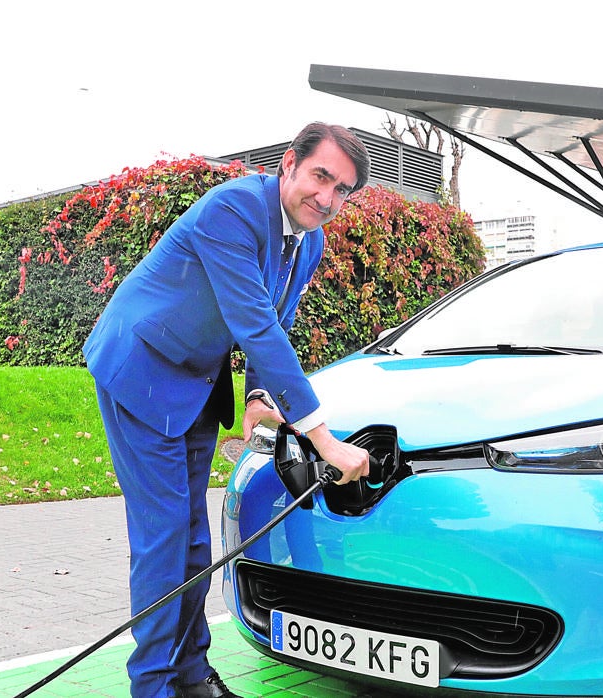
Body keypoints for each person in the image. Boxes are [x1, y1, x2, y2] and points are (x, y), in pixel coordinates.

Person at [82, 122, 372, 698]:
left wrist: (260, 395)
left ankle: (190, 675)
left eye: (343, 190)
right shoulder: (232, 210)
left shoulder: (308, 239)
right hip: (141, 370)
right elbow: (254, 324)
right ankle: (154, 687)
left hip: (195, 380)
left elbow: (278, 319)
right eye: (321, 177)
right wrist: (325, 440)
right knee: (165, 539)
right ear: (289, 163)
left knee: (194, 542)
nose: (328, 198)